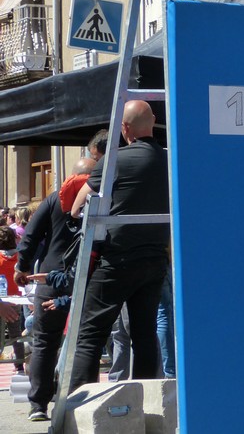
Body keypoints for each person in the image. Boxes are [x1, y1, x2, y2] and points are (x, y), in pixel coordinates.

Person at [68, 100, 171, 393]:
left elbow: (77, 208)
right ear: (153, 120)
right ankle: (147, 401)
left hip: (117, 259)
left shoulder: (114, 160)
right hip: (155, 258)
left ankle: (80, 402)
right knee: (145, 334)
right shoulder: (170, 159)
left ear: (124, 128)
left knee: (90, 334)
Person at [14, 158, 95, 421]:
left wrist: (22, 267)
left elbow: (31, 235)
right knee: (86, 341)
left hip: (50, 275)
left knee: (45, 342)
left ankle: (38, 404)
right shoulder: (100, 197)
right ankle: (80, 401)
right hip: (87, 274)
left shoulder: (54, 199)